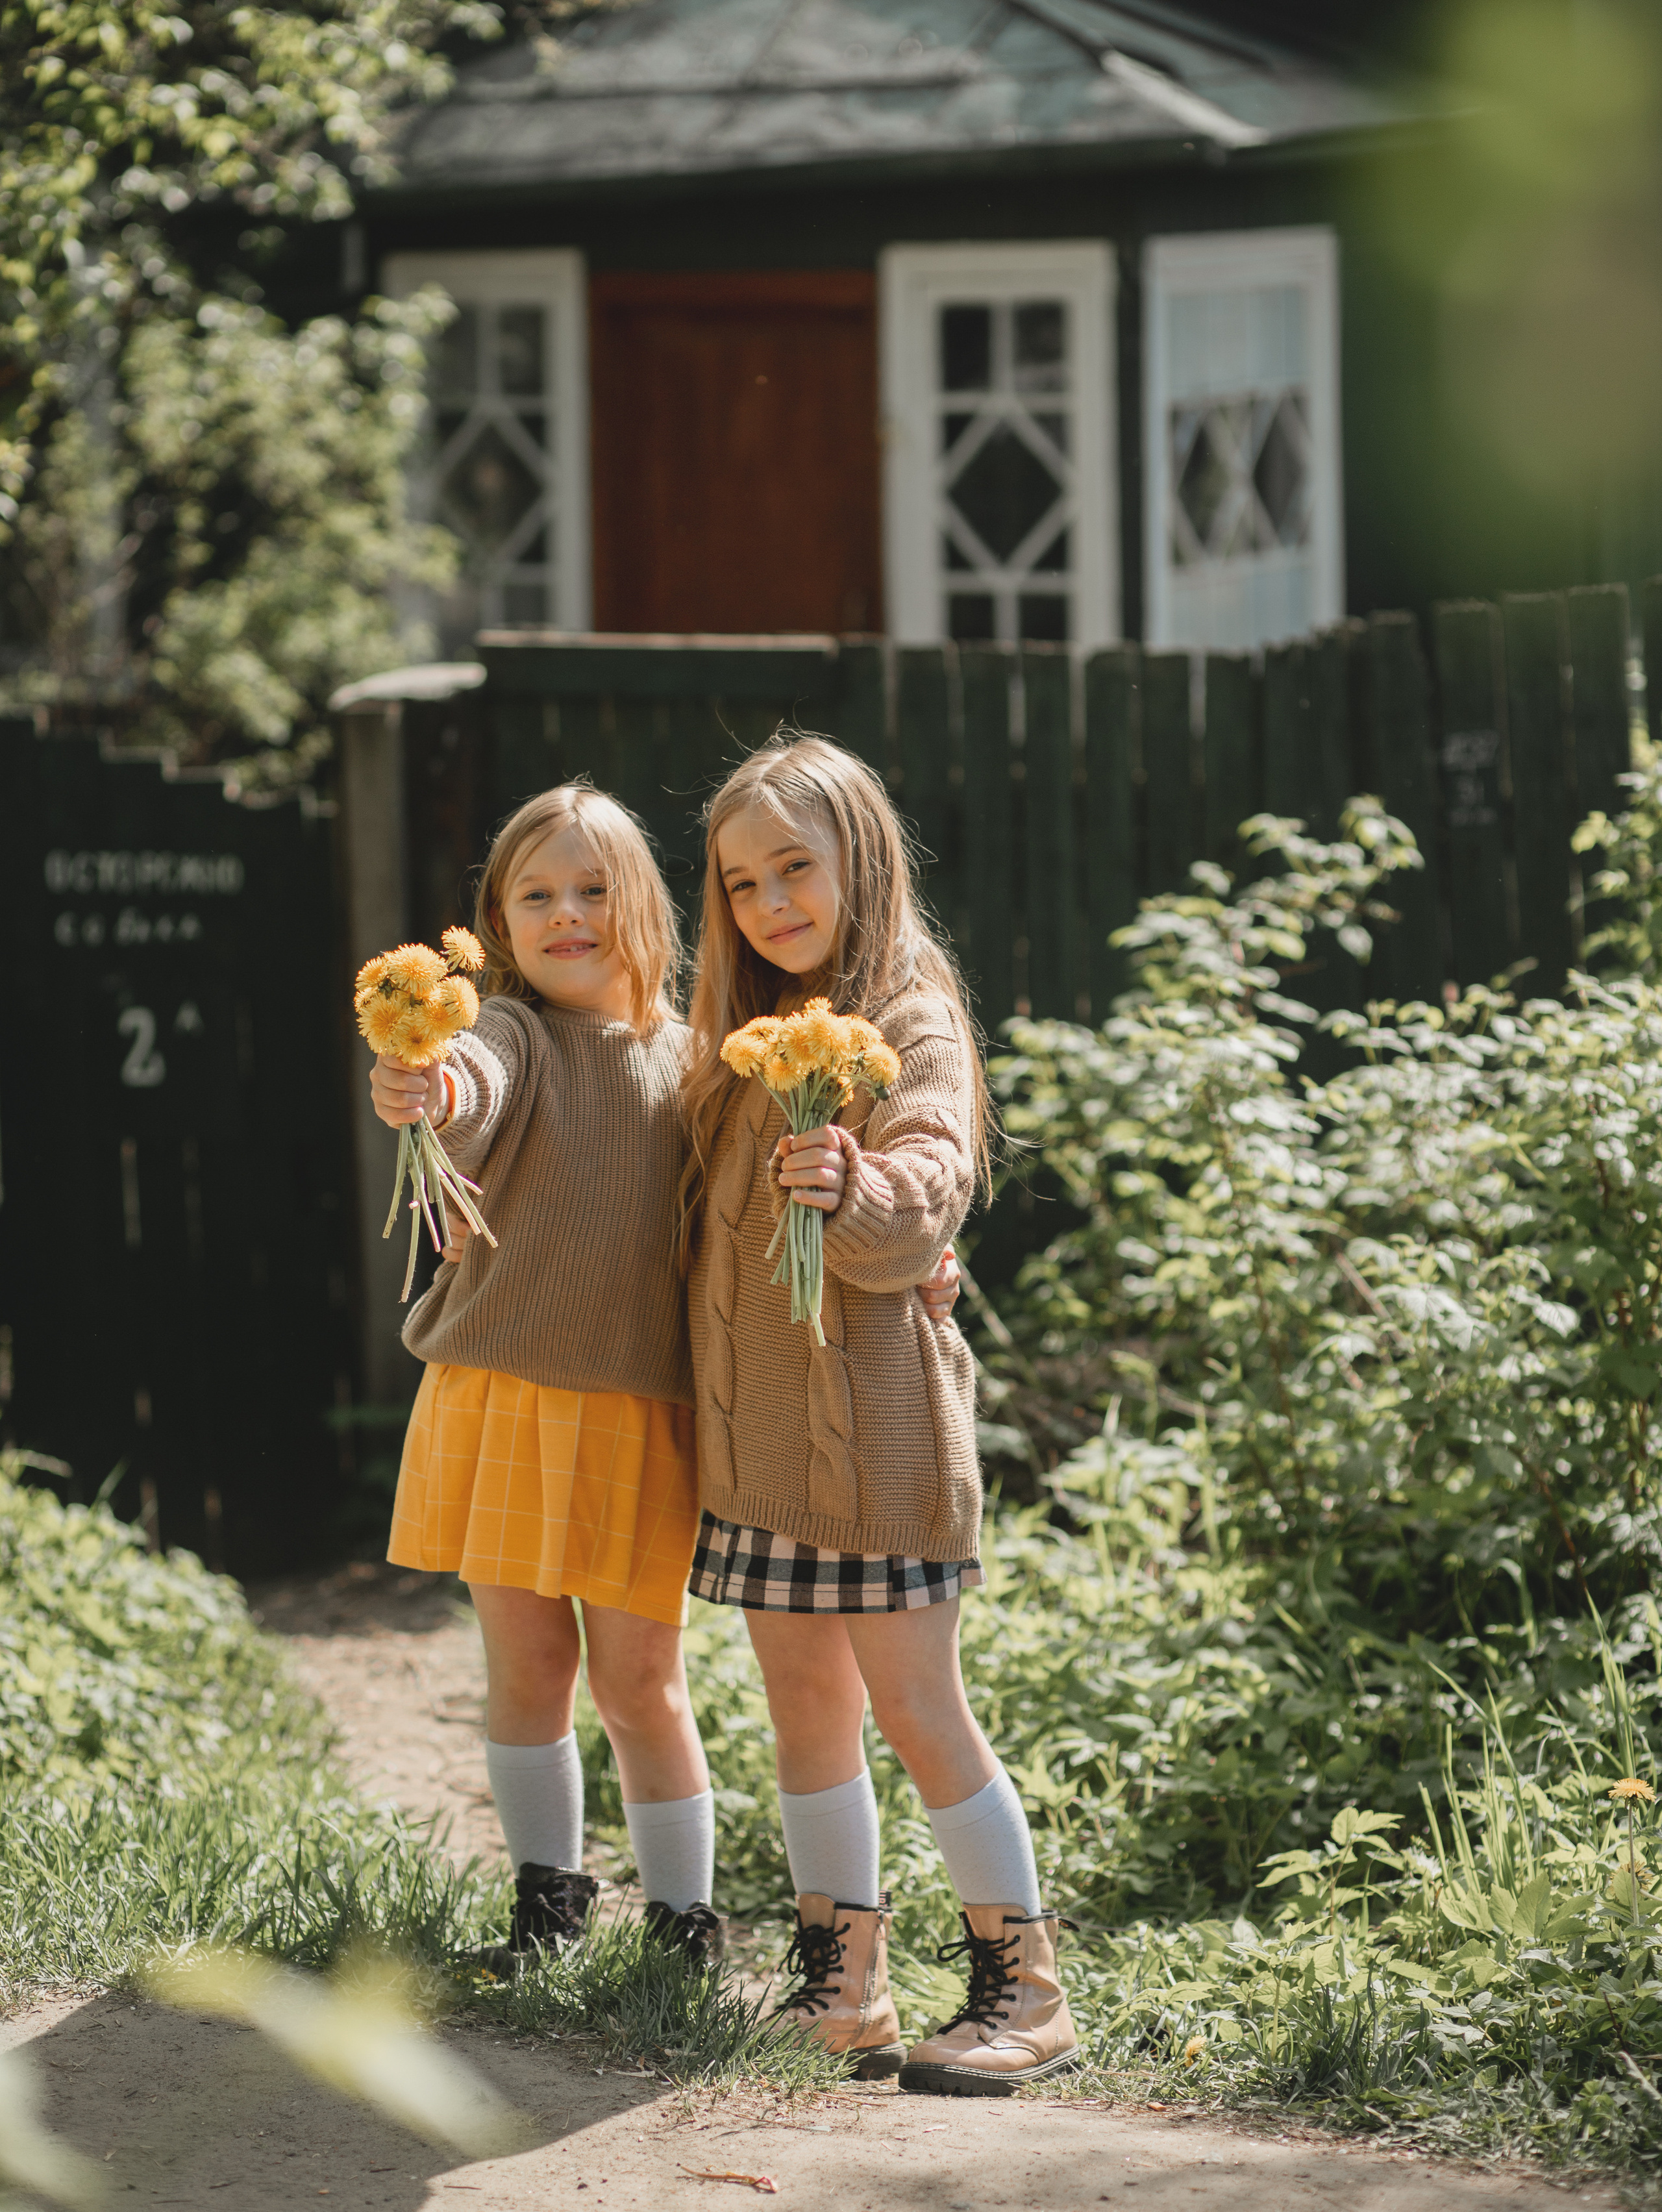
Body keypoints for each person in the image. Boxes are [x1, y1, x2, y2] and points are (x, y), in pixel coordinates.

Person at [676, 732, 1080, 2096]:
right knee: (802, 1708)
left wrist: (855, 1192)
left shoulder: (906, 1018)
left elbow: (926, 1190)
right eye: (739, 882)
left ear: (863, 860)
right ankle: (840, 1988)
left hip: (883, 1438)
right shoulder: (735, 1042)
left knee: (915, 1704)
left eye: (795, 868)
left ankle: (1022, 1986)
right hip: (764, 1448)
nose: (770, 903)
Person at [373, 783, 722, 1969]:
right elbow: (473, 1093)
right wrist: (430, 1087)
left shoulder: (698, 1062)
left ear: (646, 911)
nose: (566, 915)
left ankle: (684, 1932)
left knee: (641, 1683)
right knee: (528, 1665)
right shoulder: (509, 1037)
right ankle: (549, 1909)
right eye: (537, 896)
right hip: (502, 1396)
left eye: (593, 891)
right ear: (500, 922)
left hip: (643, 1414)